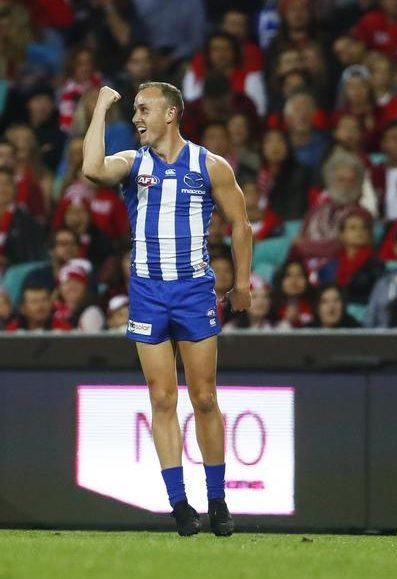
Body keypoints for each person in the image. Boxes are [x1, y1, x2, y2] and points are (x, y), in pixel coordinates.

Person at [81, 82, 252, 537]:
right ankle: (180, 504)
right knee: (161, 398)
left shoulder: (209, 165)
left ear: (171, 113)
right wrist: (101, 108)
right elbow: (92, 168)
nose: (136, 118)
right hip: (148, 292)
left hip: (194, 292)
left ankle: (217, 500)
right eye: (135, 110)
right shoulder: (133, 163)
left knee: (205, 398)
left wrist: (242, 284)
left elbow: (241, 223)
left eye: (144, 110)